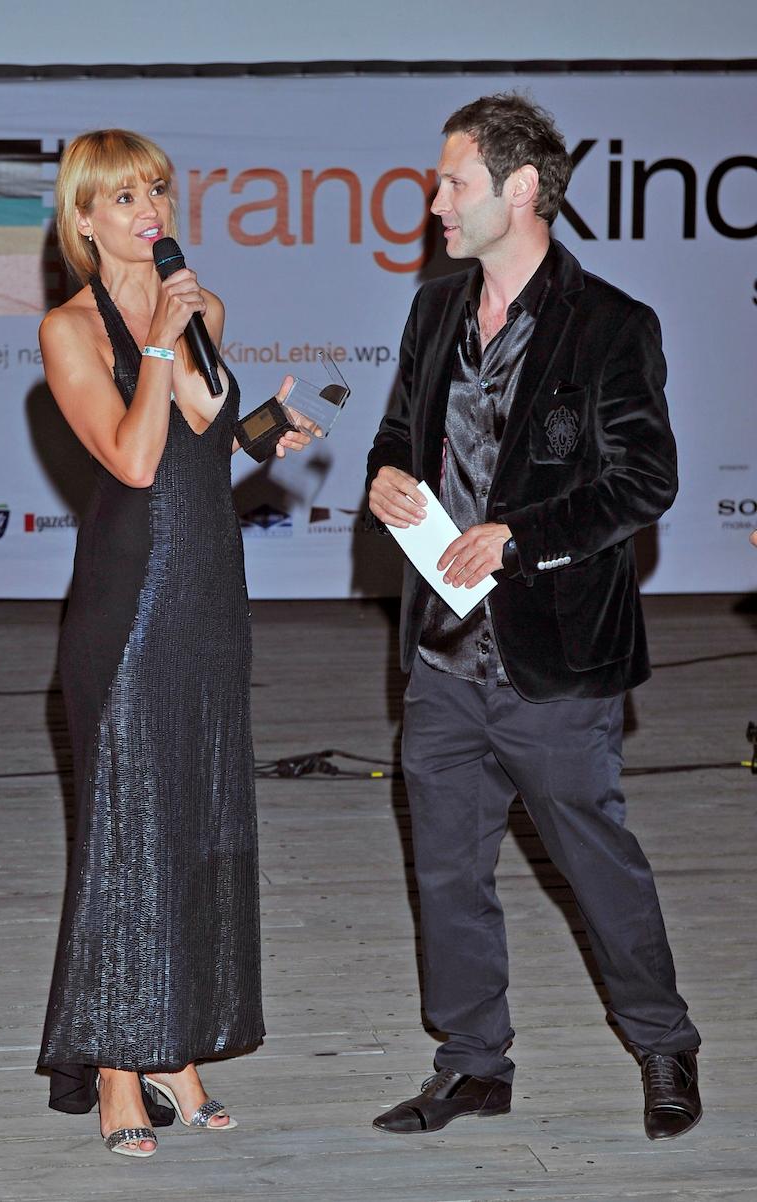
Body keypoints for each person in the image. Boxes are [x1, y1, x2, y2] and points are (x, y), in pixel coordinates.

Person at [366, 93, 701, 1141]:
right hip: (441, 658)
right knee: (446, 873)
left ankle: (663, 1041)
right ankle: (471, 1062)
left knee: (596, 866)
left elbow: (643, 483)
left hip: (554, 659)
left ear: (518, 189)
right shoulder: (432, 312)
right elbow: (398, 429)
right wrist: (386, 472)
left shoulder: (610, 325)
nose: (433, 202)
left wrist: (517, 535)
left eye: (451, 182)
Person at [37, 129, 313, 1157]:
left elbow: (201, 440)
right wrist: (158, 337)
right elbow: (135, 458)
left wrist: (265, 428)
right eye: (122, 196)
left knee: (197, 819)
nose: (147, 207)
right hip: (130, 603)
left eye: (154, 187)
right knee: (130, 828)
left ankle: (176, 1047)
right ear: (83, 218)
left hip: (208, 593)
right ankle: (119, 1064)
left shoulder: (201, 307)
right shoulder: (68, 330)